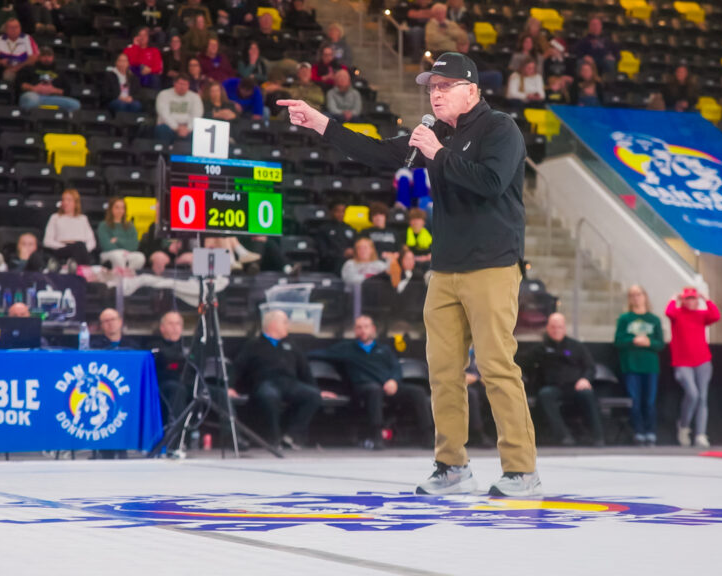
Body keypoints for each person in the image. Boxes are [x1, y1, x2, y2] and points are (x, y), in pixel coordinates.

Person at [279, 51, 539, 497]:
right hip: (444, 269)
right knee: (441, 371)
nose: (435, 94)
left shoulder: (500, 128)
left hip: (493, 264)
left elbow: (491, 182)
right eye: (431, 88)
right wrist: (321, 123)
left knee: (496, 367)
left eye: (444, 87)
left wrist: (437, 154)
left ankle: (521, 470)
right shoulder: (433, 132)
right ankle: (452, 466)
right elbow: (379, 153)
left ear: (471, 90)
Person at [311, 315, 434, 450]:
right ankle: (376, 436)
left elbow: (396, 367)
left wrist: (394, 381)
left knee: (418, 392)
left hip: (388, 386)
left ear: (373, 329)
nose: (363, 330)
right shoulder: (346, 348)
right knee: (374, 390)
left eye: (366, 327)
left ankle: (427, 435)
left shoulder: (384, 350)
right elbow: (319, 353)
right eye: (359, 327)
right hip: (363, 388)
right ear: (355, 330)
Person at [234, 309, 325, 449]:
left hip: (290, 383)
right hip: (265, 382)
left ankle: (291, 436)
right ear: (273, 324)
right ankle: (273, 438)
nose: (287, 325)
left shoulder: (291, 345)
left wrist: (317, 390)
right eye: (284, 322)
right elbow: (237, 368)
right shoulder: (253, 345)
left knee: (313, 396)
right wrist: (229, 387)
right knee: (269, 397)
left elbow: (305, 370)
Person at [527, 313, 605, 447]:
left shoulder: (576, 346)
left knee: (588, 394)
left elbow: (590, 367)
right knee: (545, 394)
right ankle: (563, 436)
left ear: (564, 328)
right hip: (553, 387)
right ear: (548, 328)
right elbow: (525, 365)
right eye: (553, 327)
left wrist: (585, 379)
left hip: (576, 386)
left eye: (559, 327)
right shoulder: (540, 349)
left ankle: (598, 437)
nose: (556, 330)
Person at [667, 287, 721, 448]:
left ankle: (700, 434)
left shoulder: (701, 315)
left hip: (702, 361)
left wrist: (707, 299)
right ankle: (684, 426)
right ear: (683, 300)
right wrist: (673, 298)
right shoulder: (677, 314)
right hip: (683, 362)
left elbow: (716, 315)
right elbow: (669, 312)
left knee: (702, 397)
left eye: (693, 298)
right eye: (688, 298)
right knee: (692, 393)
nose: (691, 301)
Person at [615, 285, 664, 446]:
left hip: (650, 367)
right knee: (634, 401)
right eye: (632, 295)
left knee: (649, 401)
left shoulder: (654, 320)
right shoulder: (624, 319)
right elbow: (618, 341)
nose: (636, 297)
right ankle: (639, 432)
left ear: (645, 296)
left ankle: (651, 432)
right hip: (631, 366)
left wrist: (649, 342)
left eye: (638, 294)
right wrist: (633, 340)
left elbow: (660, 344)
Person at [43, 189, 96, 267]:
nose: (65, 203)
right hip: (62, 248)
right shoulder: (55, 217)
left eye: (69, 200)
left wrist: (83, 250)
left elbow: (92, 241)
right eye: (63, 200)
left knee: (79, 246)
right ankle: (85, 272)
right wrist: (69, 247)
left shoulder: (83, 218)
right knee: (78, 246)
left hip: (81, 248)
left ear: (76, 203)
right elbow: (47, 241)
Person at [17, 46, 80, 112]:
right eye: (43, 55)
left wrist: (54, 90)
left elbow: (67, 91)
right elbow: (19, 84)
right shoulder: (29, 69)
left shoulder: (59, 73)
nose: (46, 58)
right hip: (32, 95)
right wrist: (33, 88)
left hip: (51, 98)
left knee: (75, 105)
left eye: (49, 55)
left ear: (53, 57)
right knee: (32, 100)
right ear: (38, 57)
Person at [97, 197, 147, 271]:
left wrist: (117, 240)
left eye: (122, 208)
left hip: (127, 253)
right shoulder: (103, 225)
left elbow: (134, 245)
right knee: (118, 256)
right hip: (109, 254)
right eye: (117, 207)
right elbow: (106, 246)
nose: (120, 210)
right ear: (111, 209)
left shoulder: (130, 225)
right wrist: (125, 245)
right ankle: (120, 278)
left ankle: (128, 275)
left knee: (140, 257)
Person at [155, 75, 204, 144]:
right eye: (180, 84)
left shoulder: (195, 97)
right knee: (162, 129)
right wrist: (176, 127)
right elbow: (164, 114)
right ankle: (164, 154)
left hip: (188, 128)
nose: (182, 87)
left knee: (199, 130)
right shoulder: (164, 94)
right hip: (168, 126)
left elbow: (197, 114)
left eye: (185, 84)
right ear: (174, 84)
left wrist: (189, 128)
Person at [317, 201, 356, 273]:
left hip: (350, 264)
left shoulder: (350, 229)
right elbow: (323, 253)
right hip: (331, 264)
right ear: (331, 212)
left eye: (343, 211)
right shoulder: (323, 229)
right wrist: (342, 253)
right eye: (337, 211)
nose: (341, 214)